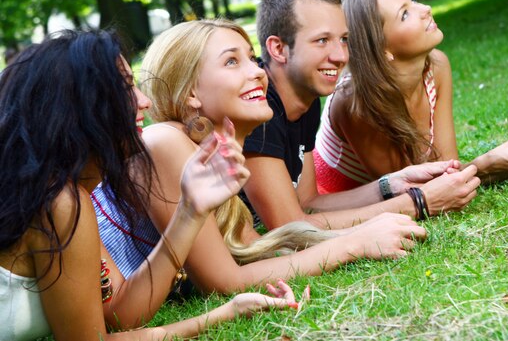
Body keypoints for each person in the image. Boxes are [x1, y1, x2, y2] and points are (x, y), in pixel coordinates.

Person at [0, 30, 301, 341]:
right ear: (80, 105)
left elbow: (120, 312)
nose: (144, 101)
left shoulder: (68, 196)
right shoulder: (58, 201)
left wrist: (190, 213)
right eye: (127, 89)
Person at [94, 18, 427, 295]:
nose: (257, 72)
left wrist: (368, 225)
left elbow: (254, 251)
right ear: (191, 93)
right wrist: (355, 244)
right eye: (231, 61)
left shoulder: (219, 157)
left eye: (252, 58)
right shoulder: (166, 142)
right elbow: (224, 281)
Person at [241, 0, 481, 232]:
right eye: (322, 40)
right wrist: (418, 203)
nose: (341, 56)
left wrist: (388, 185)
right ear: (278, 48)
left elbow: (309, 203)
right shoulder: (256, 104)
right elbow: (290, 226)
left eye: (343, 39)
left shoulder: (303, 99)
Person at [314, 0, 508, 194]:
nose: (425, 9)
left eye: (413, 0)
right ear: (382, 48)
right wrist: (487, 166)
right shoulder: (357, 104)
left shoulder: (437, 65)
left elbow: (447, 167)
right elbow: (409, 192)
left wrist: (484, 166)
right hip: (336, 196)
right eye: (405, 14)